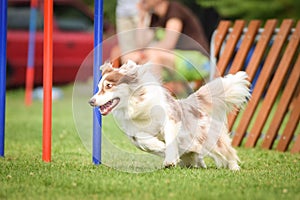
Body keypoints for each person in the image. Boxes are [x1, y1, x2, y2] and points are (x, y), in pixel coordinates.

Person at [127, 0, 211, 95]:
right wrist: (142, 18)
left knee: (152, 56)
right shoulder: (155, 17)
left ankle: (156, 97)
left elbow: (168, 44)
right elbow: (140, 45)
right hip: (175, 61)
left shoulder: (174, 11)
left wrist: (144, 54)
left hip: (197, 61)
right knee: (133, 57)